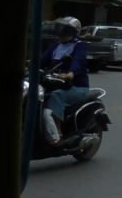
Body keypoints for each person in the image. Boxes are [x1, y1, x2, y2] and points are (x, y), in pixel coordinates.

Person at [38, 16, 90, 144]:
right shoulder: (55, 45)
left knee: (55, 96)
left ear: (74, 32)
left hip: (76, 87)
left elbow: (79, 60)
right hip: (55, 83)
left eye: (65, 31)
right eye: (60, 30)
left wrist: (71, 73)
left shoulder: (80, 46)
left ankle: (57, 134)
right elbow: (42, 60)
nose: (61, 34)